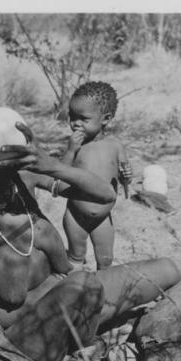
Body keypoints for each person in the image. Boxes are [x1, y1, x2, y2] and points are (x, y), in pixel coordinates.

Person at [0, 113, 181, 361]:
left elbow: (105, 196)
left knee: (168, 269)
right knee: (81, 283)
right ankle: (86, 345)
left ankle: (83, 335)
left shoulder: (22, 179)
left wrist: (50, 165)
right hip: (22, 335)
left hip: (73, 301)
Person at [61, 81, 133, 270]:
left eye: (83, 119)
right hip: (75, 215)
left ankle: (103, 292)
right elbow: (59, 174)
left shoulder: (115, 147)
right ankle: (72, 289)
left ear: (105, 119)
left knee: (106, 259)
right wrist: (70, 151)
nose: (75, 123)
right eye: (72, 116)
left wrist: (127, 177)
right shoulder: (75, 146)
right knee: (75, 257)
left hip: (103, 218)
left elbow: (125, 184)